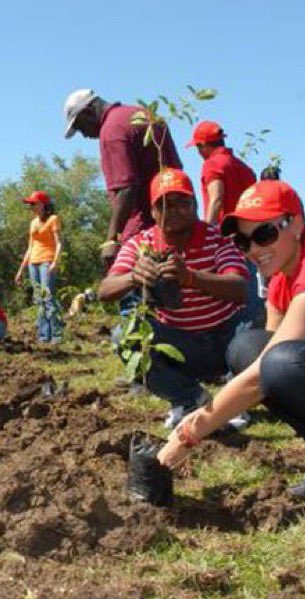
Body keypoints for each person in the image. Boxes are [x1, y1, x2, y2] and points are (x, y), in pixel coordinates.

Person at [158, 180, 305, 499]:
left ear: (296, 224)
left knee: (280, 364)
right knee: (248, 350)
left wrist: (188, 433)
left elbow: (265, 375)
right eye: (244, 242)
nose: (254, 250)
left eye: (264, 234)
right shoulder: (281, 283)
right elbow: (263, 365)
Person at [97, 168, 250, 429]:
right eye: (164, 204)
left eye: (183, 202)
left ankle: (234, 401)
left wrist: (191, 277)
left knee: (253, 338)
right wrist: (134, 276)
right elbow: (105, 291)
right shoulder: (140, 244)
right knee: (125, 335)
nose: (174, 210)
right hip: (178, 344)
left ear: (195, 205)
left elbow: (240, 288)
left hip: (223, 340)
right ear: (153, 212)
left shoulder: (219, 239)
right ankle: (191, 399)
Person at [63, 88, 182, 270]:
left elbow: (127, 189)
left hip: (145, 234)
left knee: (135, 293)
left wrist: (111, 240)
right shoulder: (144, 115)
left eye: (80, 127)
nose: (84, 135)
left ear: (88, 112)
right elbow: (177, 170)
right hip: (176, 226)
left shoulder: (112, 130)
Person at [187, 120, 262, 328]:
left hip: (227, 240)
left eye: (198, 148)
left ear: (203, 145)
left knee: (227, 298)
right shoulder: (243, 167)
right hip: (249, 238)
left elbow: (216, 198)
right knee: (250, 294)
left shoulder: (212, 164)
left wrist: (206, 232)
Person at [14, 190, 64, 344]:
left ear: (42, 204)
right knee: (39, 299)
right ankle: (44, 335)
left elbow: (59, 242)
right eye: (29, 204)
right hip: (33, 263)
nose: (30, 206)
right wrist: (21, 269)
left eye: (33, 203)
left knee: (48, 296)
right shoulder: (32, 223)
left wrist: (56, 262)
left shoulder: (53, 219)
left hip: (47, 261)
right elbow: (30, 247)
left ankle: (56, 335)